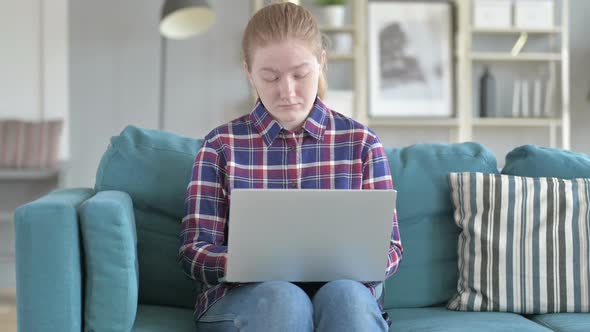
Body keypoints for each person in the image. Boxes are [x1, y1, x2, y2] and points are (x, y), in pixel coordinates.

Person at [179, 2, 403, 331]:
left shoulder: (362, 143)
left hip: (345, 295)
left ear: (321, 63)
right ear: (248, 72)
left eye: (300, 74)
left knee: (347, 298)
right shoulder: (221, 146)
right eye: (270, 77)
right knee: (284, 300)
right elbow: (193, 252)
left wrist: (357, 264)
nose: (288, 91)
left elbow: (392, 248)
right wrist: (247, 263)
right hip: (248, 298)